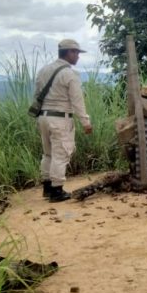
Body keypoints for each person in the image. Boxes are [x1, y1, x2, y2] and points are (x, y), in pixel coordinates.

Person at [36, 39, 93, 202]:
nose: (78, 57)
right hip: (60, 118)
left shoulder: (43, 70)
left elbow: (37, 95)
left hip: (43, 116)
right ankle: (57, 190)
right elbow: (77, 101)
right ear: (69, 52)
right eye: (76, 53)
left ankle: (47, 187)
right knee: (61, 154)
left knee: (48, 153)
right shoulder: (70, 74)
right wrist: (86, 122)